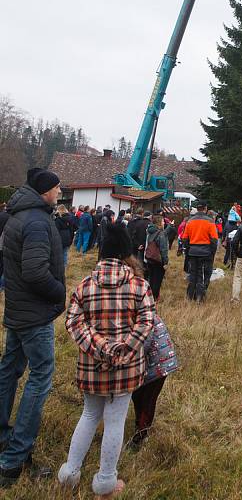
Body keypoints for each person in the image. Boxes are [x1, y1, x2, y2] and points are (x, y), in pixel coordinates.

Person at [58, 223, 154, 498]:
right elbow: (147, 321)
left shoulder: (85, 285)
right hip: (126, 368)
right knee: (115, 420)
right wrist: (122, 349)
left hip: (91, 367)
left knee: (89, 415)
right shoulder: (139, 285)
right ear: (127, 251)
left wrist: (100, 348)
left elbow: (73, 322)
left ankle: (70, 473)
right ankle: (105, 481)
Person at [0, 168, 65, 488]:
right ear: (45, 191)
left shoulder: (18, 215)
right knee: (40, 378)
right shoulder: (37, 222)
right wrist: (60, 292)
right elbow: (36, 272)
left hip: (17, 309)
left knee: (9, 370)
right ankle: (14, 458)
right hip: (34, 315)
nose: (60, 192)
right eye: (57, 188)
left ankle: (3, 438)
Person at [129, 313, 178, 449]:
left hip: (160, 366)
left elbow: (143, 344)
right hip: (150, 365)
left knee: (148, 399)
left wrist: (126, 355)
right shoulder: (138, 313)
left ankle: (141, 435)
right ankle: (139, 424)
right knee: (137, 395)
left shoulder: (145, 316)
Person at [181, 201, 218, 302]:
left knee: (193, 274)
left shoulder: (190, 221)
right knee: (202, 274)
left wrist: (189, 249)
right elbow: (214, 240)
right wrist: (212, 252)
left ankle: (190, 296)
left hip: (193, 251)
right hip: (206, 251)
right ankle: (200, 297)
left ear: (197, 209)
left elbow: (184, 238)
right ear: (205, 208)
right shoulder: (210, 221)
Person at [144, 214, 169, 301]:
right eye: (162, 221)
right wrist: (165, 262)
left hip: (150, 258)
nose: (164, 223)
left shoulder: (150, 231)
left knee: (151, 278)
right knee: (157, 280)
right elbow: (163, 249)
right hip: (158, 260)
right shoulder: (160, 233)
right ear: (159, 223)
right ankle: (154, 298)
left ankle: (149, 296)